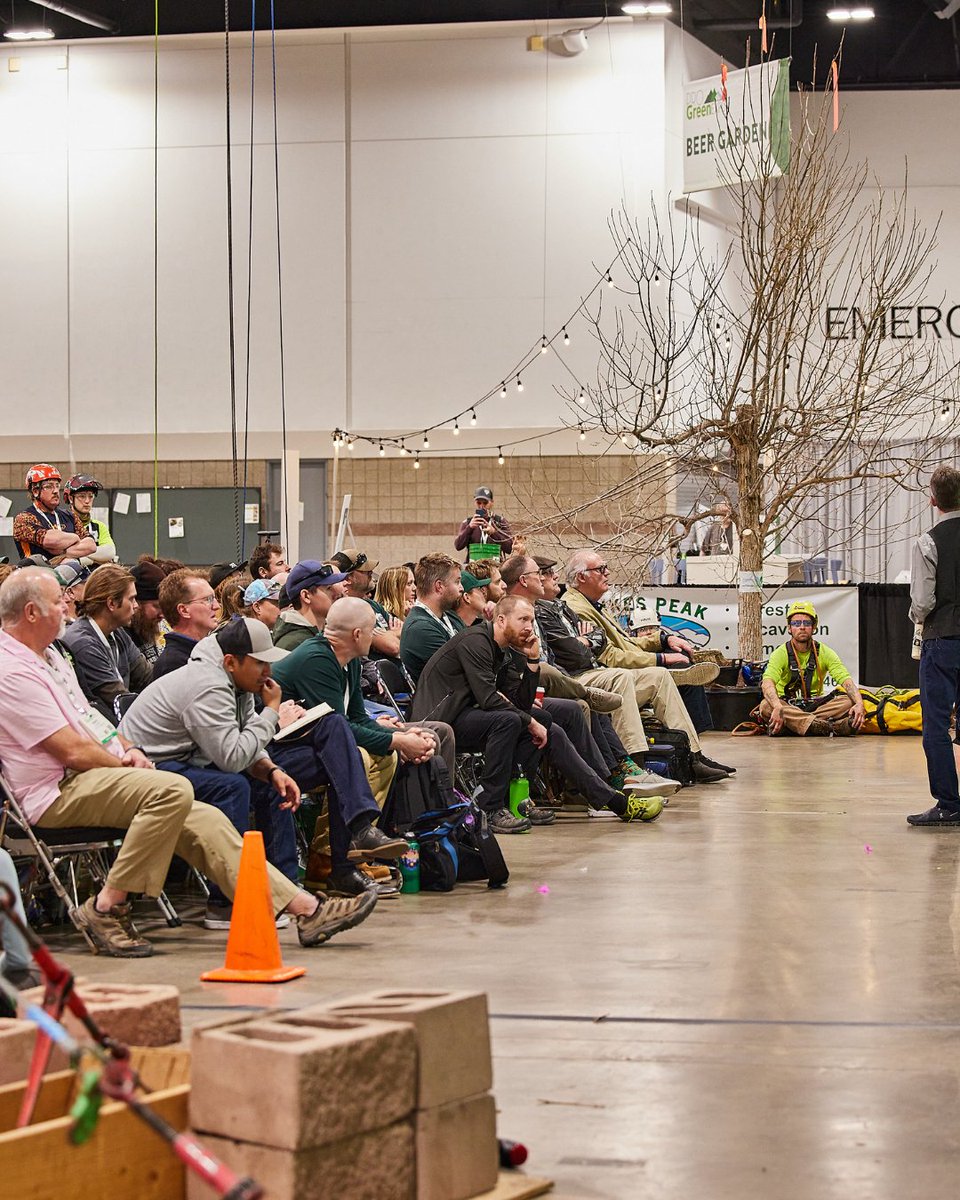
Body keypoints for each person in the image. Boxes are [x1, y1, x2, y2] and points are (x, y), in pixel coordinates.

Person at [0, 568, 375, 956]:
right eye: (57, 601)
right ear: (31, 612)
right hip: (55, 792)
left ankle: (307, 910)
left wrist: (129, 749)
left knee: (207, 820)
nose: (68, 607)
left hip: (95, 774)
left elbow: (92, 721)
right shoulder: (11, 672)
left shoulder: (50, 657)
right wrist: (128, 765)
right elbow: (72, 751)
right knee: (174, 789)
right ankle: (106, 906)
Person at [272, 597, 449, 825]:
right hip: (283, 748)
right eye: (371, 630)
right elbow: (338, 729)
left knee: (392, 752)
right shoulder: (316, 660)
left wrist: (401, 737)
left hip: (317, 741)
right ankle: (342, 841)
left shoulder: (350, 660)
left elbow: (358, 718)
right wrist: (399, 741)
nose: (374, 636)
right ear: (357, 634)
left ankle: (388, 830)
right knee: (364, 756)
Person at [562, 551, 732, 781]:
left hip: (622, 667)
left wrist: (663, 640)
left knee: (672, 670)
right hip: (604, 674)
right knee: (669, 671)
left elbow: (628, 642)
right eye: (600, 569)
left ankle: (693, 755)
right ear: (581, 577)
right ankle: (636, 764)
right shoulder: (578, 608)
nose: (607, 573)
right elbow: (610, 656)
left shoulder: (592, 604)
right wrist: (660, 658)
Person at [907, 466, 960, 826]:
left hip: (942, 639)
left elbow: (923, 601)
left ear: (932, 500)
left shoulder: (928, 542)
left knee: (937, 725)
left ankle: (949, 803)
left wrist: (916, 616)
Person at [61, 564, 152, 720]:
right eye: (131, 599)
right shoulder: (83, 644)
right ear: (111, 604)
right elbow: (119, 701)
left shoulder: (117, 632)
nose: (136, 606)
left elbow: (147, 677)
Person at [759, 601, 864, 737]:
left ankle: (796, 725)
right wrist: (778, 706)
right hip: (786, 705)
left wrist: (859, 703)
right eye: (796, 623)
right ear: (789, 628)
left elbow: (846, 681)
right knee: (766, 706)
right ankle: (830, 727)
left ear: (814, 627)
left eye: (807, 623)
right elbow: (767, 682)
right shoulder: (780, 653)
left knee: (848, 701)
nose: (802, 627)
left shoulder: (825, 652)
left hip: (816, 706)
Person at [399, 553, 464, 684]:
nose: (461, 588)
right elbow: (464, 671)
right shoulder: (420, 628)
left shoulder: (449, 616)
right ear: (439, 586)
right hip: (445, 695)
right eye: (457, 582)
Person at [13, 465, 96, 567]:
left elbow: (91, 545)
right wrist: (75, 538)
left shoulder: (70, 516)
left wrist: (61, 552)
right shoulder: (24, 518)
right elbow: (52, 541)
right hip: (36, 573)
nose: (56, 491)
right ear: (35, 491)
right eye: (49, 486)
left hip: (71, 573)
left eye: (57, 486)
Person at [153, 569, 220, 679]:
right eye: (208, 599)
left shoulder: (204, 652)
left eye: (214, 598)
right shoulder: (173, 665)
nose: (217, 606)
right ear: (184, 610)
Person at [272, 559, 349, 651]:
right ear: (306, 596)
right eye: (328, 588)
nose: (337, 592)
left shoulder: (320, 635)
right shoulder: (296, 645)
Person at [62, 474, 117, 565]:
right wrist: (98, 558)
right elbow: (60, 556)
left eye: (90, 496)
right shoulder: (62, 525)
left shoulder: (99, 526)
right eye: (82, 496)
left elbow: (109, 552)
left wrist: (80, 557)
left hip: (96, 573)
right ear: (71, 499)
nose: (87, 501)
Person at [128, 558, 171, 664]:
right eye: (157, 606)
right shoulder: (121, 637)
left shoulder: (162, 627)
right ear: (136, 602)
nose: (162, 615)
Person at [454, 486, 514, 561]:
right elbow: (458, 546)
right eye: (478, 503)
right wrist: (469, 528)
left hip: (495, 566)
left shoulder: (500, 521)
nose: (482, 506)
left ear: (492, 503)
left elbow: (510, 548)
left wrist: (494, 533)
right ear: (474, 503)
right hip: (473, 566)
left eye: (485, 503)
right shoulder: (468, 522)